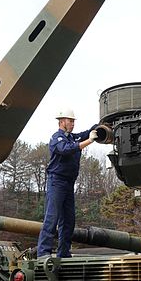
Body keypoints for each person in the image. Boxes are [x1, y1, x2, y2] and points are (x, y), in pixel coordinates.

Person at [36, 109, 99, 257]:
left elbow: (84, 133)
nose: (72, 124)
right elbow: (65, 149)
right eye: (70, 121)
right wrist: (89, 141)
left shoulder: (71, 137)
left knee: (69, 221)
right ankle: (43, 252)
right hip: (56, 182)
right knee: (52, 218)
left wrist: (99, 125)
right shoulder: (56, 138)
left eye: (73, 121)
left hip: (69, 184)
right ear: (62, 121)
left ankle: (63, 253)